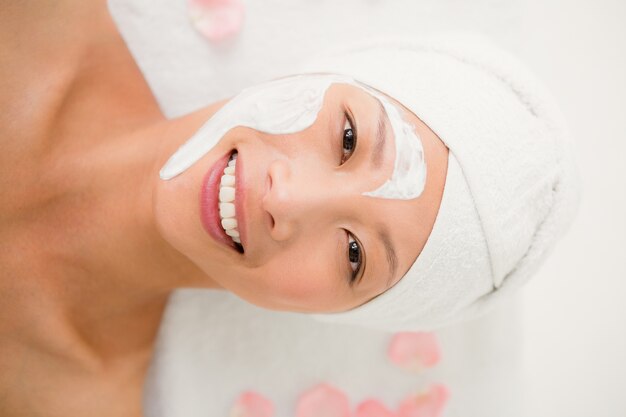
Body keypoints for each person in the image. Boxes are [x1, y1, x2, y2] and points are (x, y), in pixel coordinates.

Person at [0, 2, 579, 416]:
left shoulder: (67, 400)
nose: (287, 199)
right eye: (349, 139)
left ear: (337, 315)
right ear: (323, 71)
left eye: (354, 255)